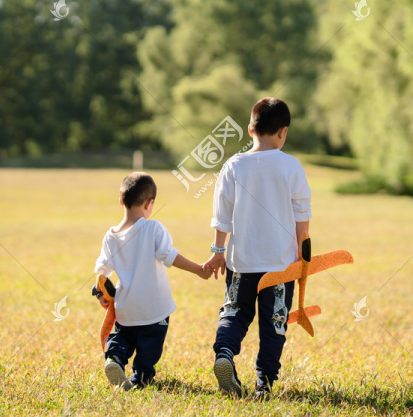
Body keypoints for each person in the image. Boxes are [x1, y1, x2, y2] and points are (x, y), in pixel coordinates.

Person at [203, 98, 311, 399]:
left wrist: (217, 251)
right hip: (280, 267)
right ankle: (264, 383)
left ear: (250, 129)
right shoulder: (292, 167)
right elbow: (302, 223)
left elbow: (221, 215)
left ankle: (224, 353)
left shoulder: (233, 165)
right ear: (283, 132)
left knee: (234, 313)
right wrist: (304, 257)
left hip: (241, 263)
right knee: (274, 324)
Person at [94, 172, 211, 390]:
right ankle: (140, 378)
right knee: (150, 348)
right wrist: (198, 270)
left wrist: (100, 293)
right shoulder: (154, 228)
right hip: (154, 308)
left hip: (125, 308)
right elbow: (170, 256)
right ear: (150, 204)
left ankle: (114, 359)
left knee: (122, 337)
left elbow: (102, 273)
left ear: (121, 201)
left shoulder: (110, 236)